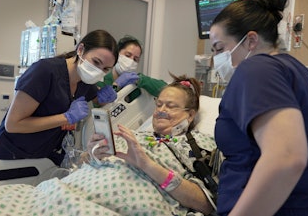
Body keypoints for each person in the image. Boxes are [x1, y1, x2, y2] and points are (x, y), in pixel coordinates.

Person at [210, 0, 308, 216]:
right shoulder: (294, 74)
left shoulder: (254, 69)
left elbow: (287, 158)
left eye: (219, 48)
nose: (215, 59)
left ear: (251, 41)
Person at [0, 29, 119, 182]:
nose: (98, 71)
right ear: (80, 49)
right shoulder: (45, 71)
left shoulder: (85, 82)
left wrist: (109, 94)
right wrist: (66, 117)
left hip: (41, 160)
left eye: (105, 69)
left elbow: (96, 99)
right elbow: (12, 124)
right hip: (7, 158)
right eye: (96, 62)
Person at [83, 73, 217, 215]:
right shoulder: (133, 135)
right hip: (84, 191)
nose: (161, 110)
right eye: (158, 104)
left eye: (170, 106)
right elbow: (84, 163)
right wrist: (91, 154)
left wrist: (147, 165)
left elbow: (208, 204)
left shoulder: (198, 145)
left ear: (190, 115)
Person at [96, 35, 167, 102]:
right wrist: (116, 85)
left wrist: (140, 80)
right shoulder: (102, 82)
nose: (131, 61)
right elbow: (102, 104)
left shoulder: (137, 81)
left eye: (135, 59)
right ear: (116, 54)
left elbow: (166, 89)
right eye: (127, 55)